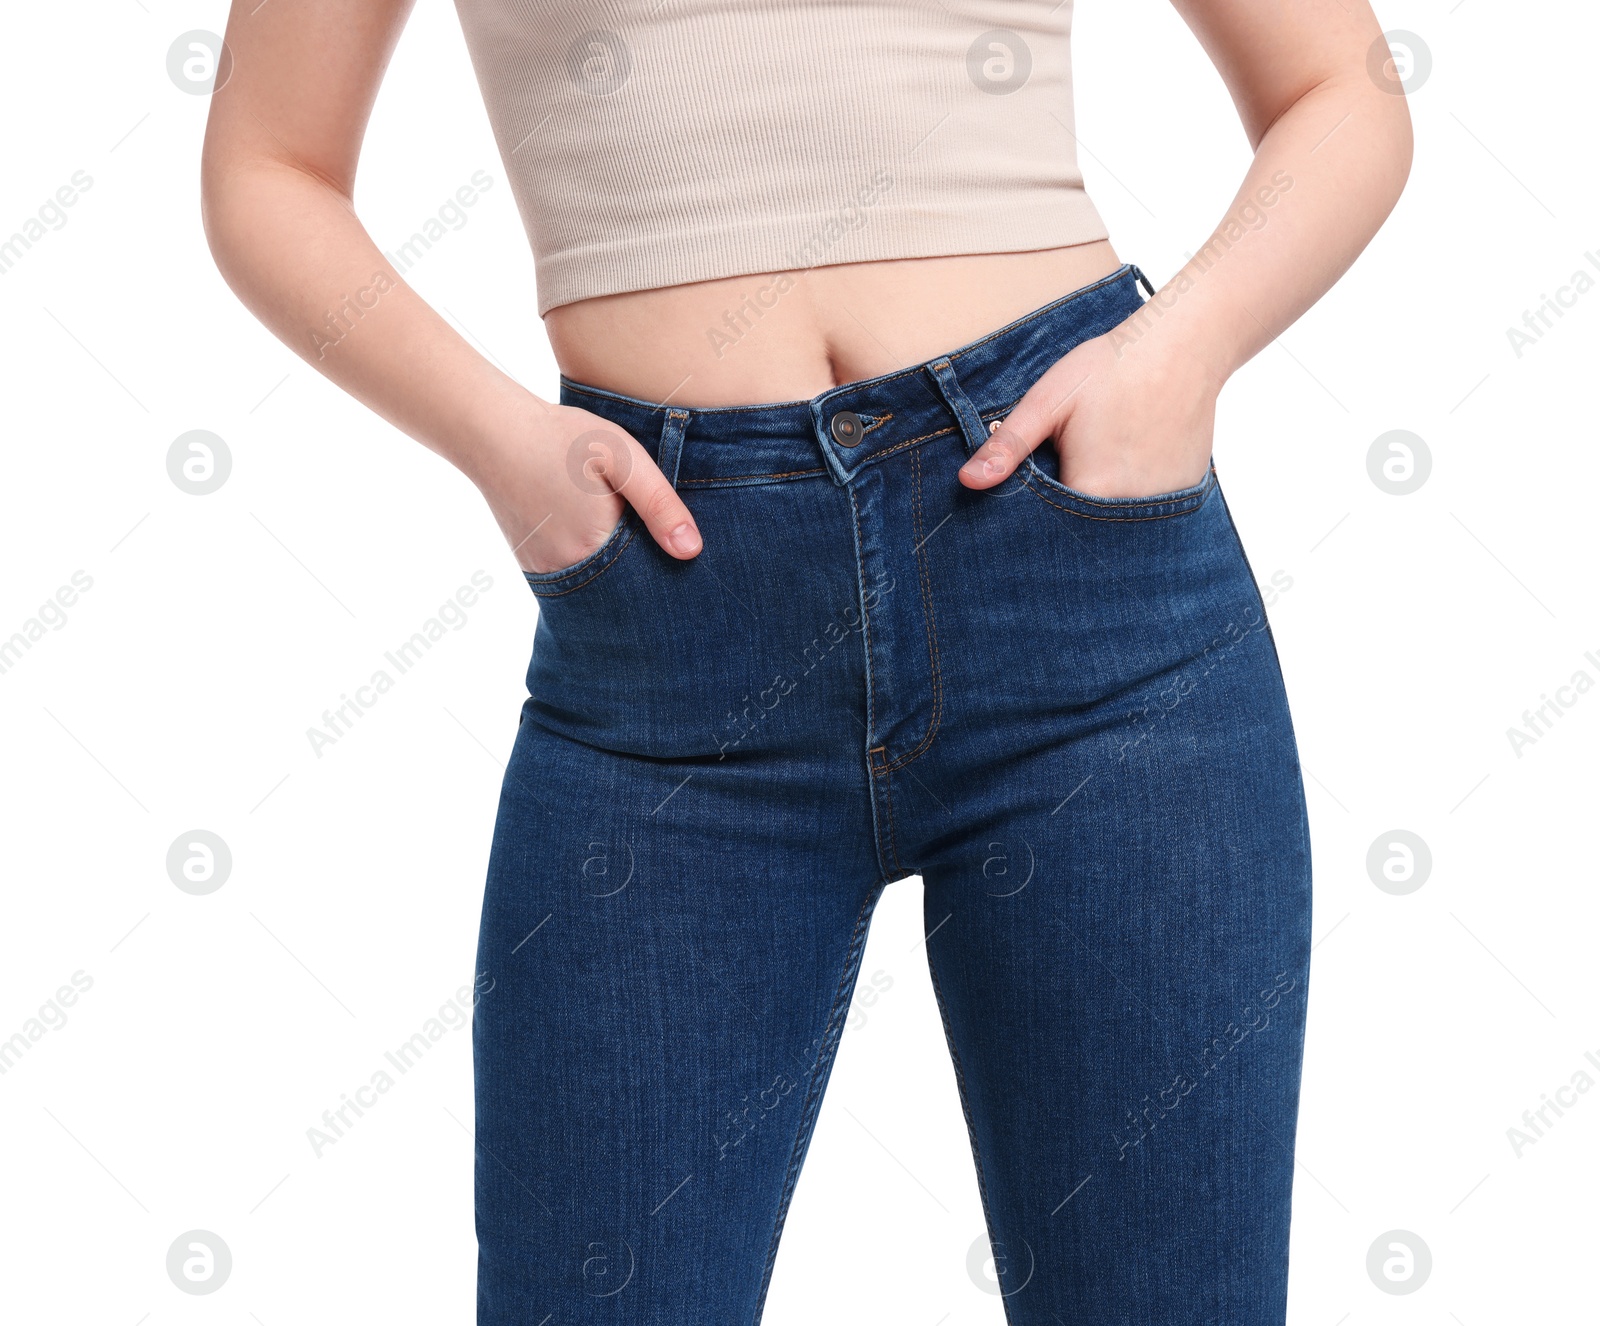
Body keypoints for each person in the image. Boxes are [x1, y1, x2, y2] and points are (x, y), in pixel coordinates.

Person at [201, 1, 1411, 1320]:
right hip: (666, 621)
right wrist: (507, 448)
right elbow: (268, 167)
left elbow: (1337, 89)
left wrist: (1181, 351)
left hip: (1082, 577)